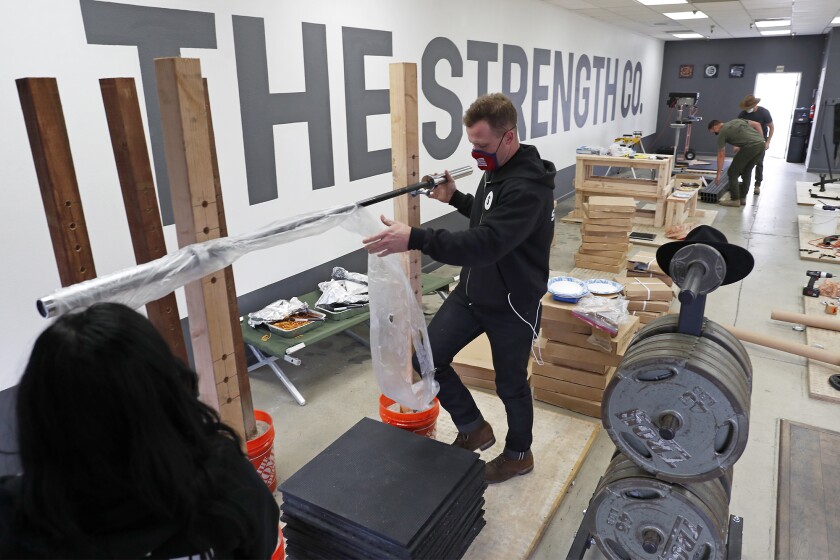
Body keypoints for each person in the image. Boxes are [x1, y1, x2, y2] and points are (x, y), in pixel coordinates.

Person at [362, 93, 556, 484]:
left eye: (482, 146)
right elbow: (488, 214)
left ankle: (519, 454)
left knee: (510, 383)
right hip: (472, 293)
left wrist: (416, 237)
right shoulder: (498, 168)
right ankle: (473, 427)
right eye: (472, 144)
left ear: (509, 137)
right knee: (425, 358)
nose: (475, 153)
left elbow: (488, 243)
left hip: (512, 303)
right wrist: (456, 198)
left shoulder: (529, 187)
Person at [0, 303, 279, 558]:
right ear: (168, 390)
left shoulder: (16, 518)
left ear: (38, 415)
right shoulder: (225, 485)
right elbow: (261, 544)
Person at [707, 118, 766, 208]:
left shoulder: (722, 132)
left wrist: (718, 174)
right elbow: (757, 124)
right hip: (761, 144)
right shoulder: (736, 121)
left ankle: (735, 200)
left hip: (750, 147)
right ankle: (742, 198)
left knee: (732, 172)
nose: (716, 134)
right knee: (747, 171)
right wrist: (760, 140)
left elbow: (721, 154)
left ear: (715, 127)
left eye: (714, 132)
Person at [737, 94, 773, 195]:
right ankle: (744, 183)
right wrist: (738, 144)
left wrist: (768, 142)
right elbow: (739, 129)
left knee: (759, 162)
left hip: (760, 141)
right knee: (744, 162)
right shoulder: (743, 114)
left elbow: (772, 127)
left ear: (755, 104)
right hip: (747, 140)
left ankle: (757, 185)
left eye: (749, 107)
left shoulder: (764, 112)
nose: (747, 109)